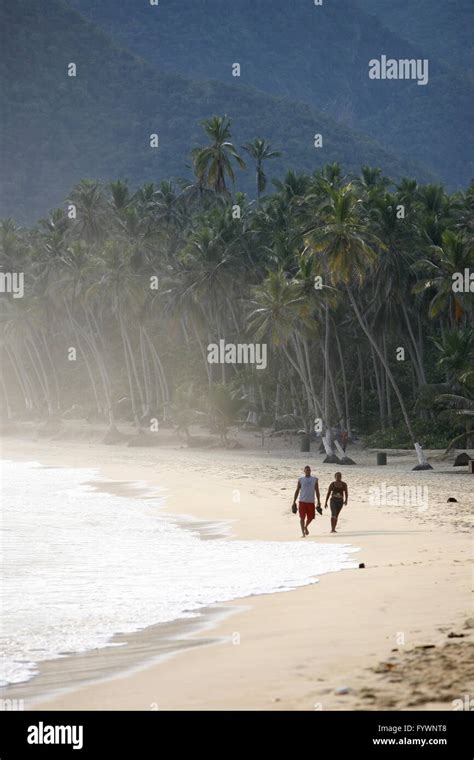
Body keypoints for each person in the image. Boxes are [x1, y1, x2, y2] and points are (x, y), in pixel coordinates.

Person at [292, 465, 321, 538]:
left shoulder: (315, 479)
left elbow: (317, 491)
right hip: (302, 501)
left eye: (309, 470)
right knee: (302, 518)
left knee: (311, 517)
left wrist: (319, 501)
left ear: (310, 471)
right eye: (306, 470)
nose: (308, 471)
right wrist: (294, 501)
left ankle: (305, 526)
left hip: (311, 502)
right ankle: (303, 533)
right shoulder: (301, 479)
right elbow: (297, 490)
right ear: (304, 471)